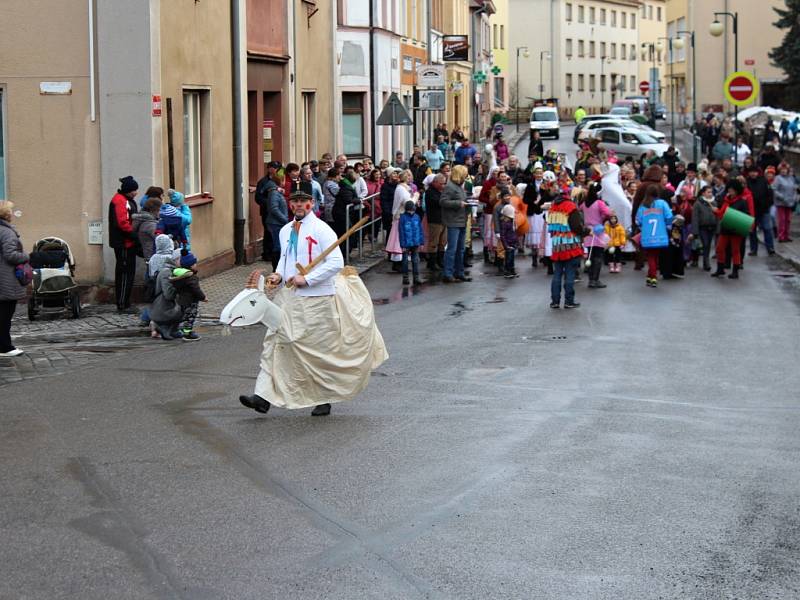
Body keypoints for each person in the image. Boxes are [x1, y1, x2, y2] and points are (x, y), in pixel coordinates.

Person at [238, 191, 387, 417]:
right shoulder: (287, 230)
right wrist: (278, 275)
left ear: (311, 204)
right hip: (290, 297)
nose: (299, 205)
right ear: (290, 204)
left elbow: (336, 262)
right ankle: (263, 396)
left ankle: (324, 399)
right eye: (295, 202)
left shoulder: (322, 229)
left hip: (318, 299)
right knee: (276, 342)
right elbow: (285, 258)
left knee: (317, 352)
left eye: (303, 202)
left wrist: (307, 279)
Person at [0, 201, 29, 357]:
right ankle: (5, 347)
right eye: (10, 211)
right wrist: (26, 256)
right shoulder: (7, 232)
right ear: (6, 214)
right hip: (6, 278)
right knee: (5, 315)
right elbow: (11, 255)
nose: (12, 213)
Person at [548, 190, 585, 308]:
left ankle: (555, 301)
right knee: (570, 273)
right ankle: (569, 301)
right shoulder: (571, 206)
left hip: (557, 244)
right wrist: (587, 231)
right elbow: (576, 227)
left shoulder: (553, 206)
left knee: (557, 273)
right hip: (570, 244)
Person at [108, 175, 139, 312]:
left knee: (126, 272)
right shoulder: (121, 201)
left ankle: (124, 302)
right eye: (134, 190)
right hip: (124, 243)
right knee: (125, 273)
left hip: (125, 242)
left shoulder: (124, 199)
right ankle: (122, 303)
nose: (136, 192)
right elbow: (123, 223)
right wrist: (134, 235)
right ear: (128, 190)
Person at [635, 184, 673, 288]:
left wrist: (643, 227)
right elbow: (669, 216)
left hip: (647, 236)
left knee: (651, 256)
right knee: (655, 256)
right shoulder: (662, 203)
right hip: (660, 234)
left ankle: (652, 276)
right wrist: (667, 225)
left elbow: (638, 221)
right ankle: (652, 276)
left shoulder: (643, 206)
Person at [712, 179, 749, 279]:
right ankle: (720, 268)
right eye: (729, 189)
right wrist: (716, 211)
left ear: (737, 190)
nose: (730, 191)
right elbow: (721, 213)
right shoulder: (726, 200)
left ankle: (735, 271)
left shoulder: (742, 202)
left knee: (735, 250)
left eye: (732, 190)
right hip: (725, 227)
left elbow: (745, 215)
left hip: (736, 229)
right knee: (719, 248)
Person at [440, 165, 471, 283]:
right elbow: (443, 201)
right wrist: (458, 203)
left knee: (460, 249)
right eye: (465, 174)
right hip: (453, 221)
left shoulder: (459, 186)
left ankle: (459, 272)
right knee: (452, 249)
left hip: (461, 220)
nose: (466, 176)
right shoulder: (450, 187)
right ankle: (448, 273)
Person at [581, 181, 612, 289]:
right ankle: (595, 279)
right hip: (598, 231)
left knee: (590, 255)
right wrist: (603, 218)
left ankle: (590, 279)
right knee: (598, 256)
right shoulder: (599, 203)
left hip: (587, 232)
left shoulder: (584, 203)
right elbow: (608, 213)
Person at [169, 251, 206, 341]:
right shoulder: (191, 277)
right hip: (191, 301)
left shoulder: (177, 275)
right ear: (190, 266)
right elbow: (196, 289)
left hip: (180, 300)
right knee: (190, 317)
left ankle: (174, 330)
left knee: (181, 316)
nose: (196, 265)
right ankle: (187, 333)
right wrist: (203, 297)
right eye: (194, 263)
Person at [258, 174, 289, 270]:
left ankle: (279, 268)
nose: (284, 182)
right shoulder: (274, 193)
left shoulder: (276, 192)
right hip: (276, 223)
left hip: (277, 222)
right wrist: (284, 219)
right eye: (283, 180)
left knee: (278, 245)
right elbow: (274, 209)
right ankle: (276, 269)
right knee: (277, 246)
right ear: (279, 182)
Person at [745, 164, 775, 256]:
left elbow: (770, 194)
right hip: (751, 211)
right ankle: (754, 249)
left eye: (754, 172)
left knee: (767, 229)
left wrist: (767, 204)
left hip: (764, 209)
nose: (753, 174)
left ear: (757, 173)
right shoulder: (747, 182)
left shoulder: (763, 181)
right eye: (751, 172)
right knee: (752, 231)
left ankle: (770, 247)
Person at [690, 185, 718, 271]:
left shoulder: (714, 202)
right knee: (705, 244)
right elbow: (695, 218)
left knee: (708, 245)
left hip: (711, 227)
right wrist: (695, 231)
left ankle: (705, 261)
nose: (710, 194)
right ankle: (706, 262)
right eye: (708, 192)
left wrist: (717, 228)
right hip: (702, 227)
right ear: (703, 193)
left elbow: (717, 216)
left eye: (711, 192)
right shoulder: (698, 203)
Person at [398, 200, 425, 286]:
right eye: (410, 210)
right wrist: (402, 245)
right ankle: (405, 278)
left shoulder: (417, 217)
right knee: (405, 261)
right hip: (406, 243)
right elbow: (401, 232)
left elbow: (420, 230)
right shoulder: (402, 218)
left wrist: (421, 242)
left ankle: (416, 278)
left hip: (415, 242)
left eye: (413, 210)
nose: (412, 212)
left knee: (415, 261)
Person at [425, 173, 447, 271]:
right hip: (435, 220)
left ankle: (440, 260)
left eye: (444, 184)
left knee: (443, 242)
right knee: (434, 242)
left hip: (444, 219)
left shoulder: (442, 191)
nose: (443, 185)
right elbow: (438, 202)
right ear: (435, 182)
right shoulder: (430, 192)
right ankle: (432, 262)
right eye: (441, 184)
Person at [773, 163, 797, 242]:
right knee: (782, 220)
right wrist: (782, 197)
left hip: (789, 203)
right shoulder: (777, 178)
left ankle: (787, 235)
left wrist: (794, 198)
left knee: (788, 220)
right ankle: (781, 236)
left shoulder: (791, 178)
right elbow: (774, 190)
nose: (783, 171)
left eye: (785, 169)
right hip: (781, 202)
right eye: (782, 169)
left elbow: (794, 189)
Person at [499, 203, 518, 279]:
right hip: (508, 244)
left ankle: (512, 270)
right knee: (508, 258)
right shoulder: (505, 223)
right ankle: (507, 271)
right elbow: (502, 235)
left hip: (512, 242)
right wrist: (506, 245)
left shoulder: (511, 222)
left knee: (512, 258)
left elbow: (514, 233)